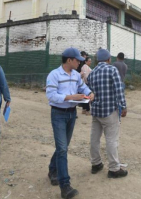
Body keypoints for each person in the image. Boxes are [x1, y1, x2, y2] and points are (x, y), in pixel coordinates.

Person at [46, 48, 94, 199]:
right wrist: (70, 97)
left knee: (63, 146)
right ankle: (65, 186)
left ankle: (52, 169)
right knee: (62, 149)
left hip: (71, 114)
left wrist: (90, 93)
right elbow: (51, 95)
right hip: (58, 114)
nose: (79, 62)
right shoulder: (54, 75)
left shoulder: (76, 75)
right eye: (77, 60)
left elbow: (83, 87)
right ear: (69, 60)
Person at [87, 48, 128, 179]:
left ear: (97, 60)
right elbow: (118, 90)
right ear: (109, 59)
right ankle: (114, 169)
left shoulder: (92, 73)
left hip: (96, 112)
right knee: (111, 139)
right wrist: (124, 106)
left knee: (94, 138)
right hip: (110, 111)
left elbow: (90, 93)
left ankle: (96, 164)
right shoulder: (112, 70)